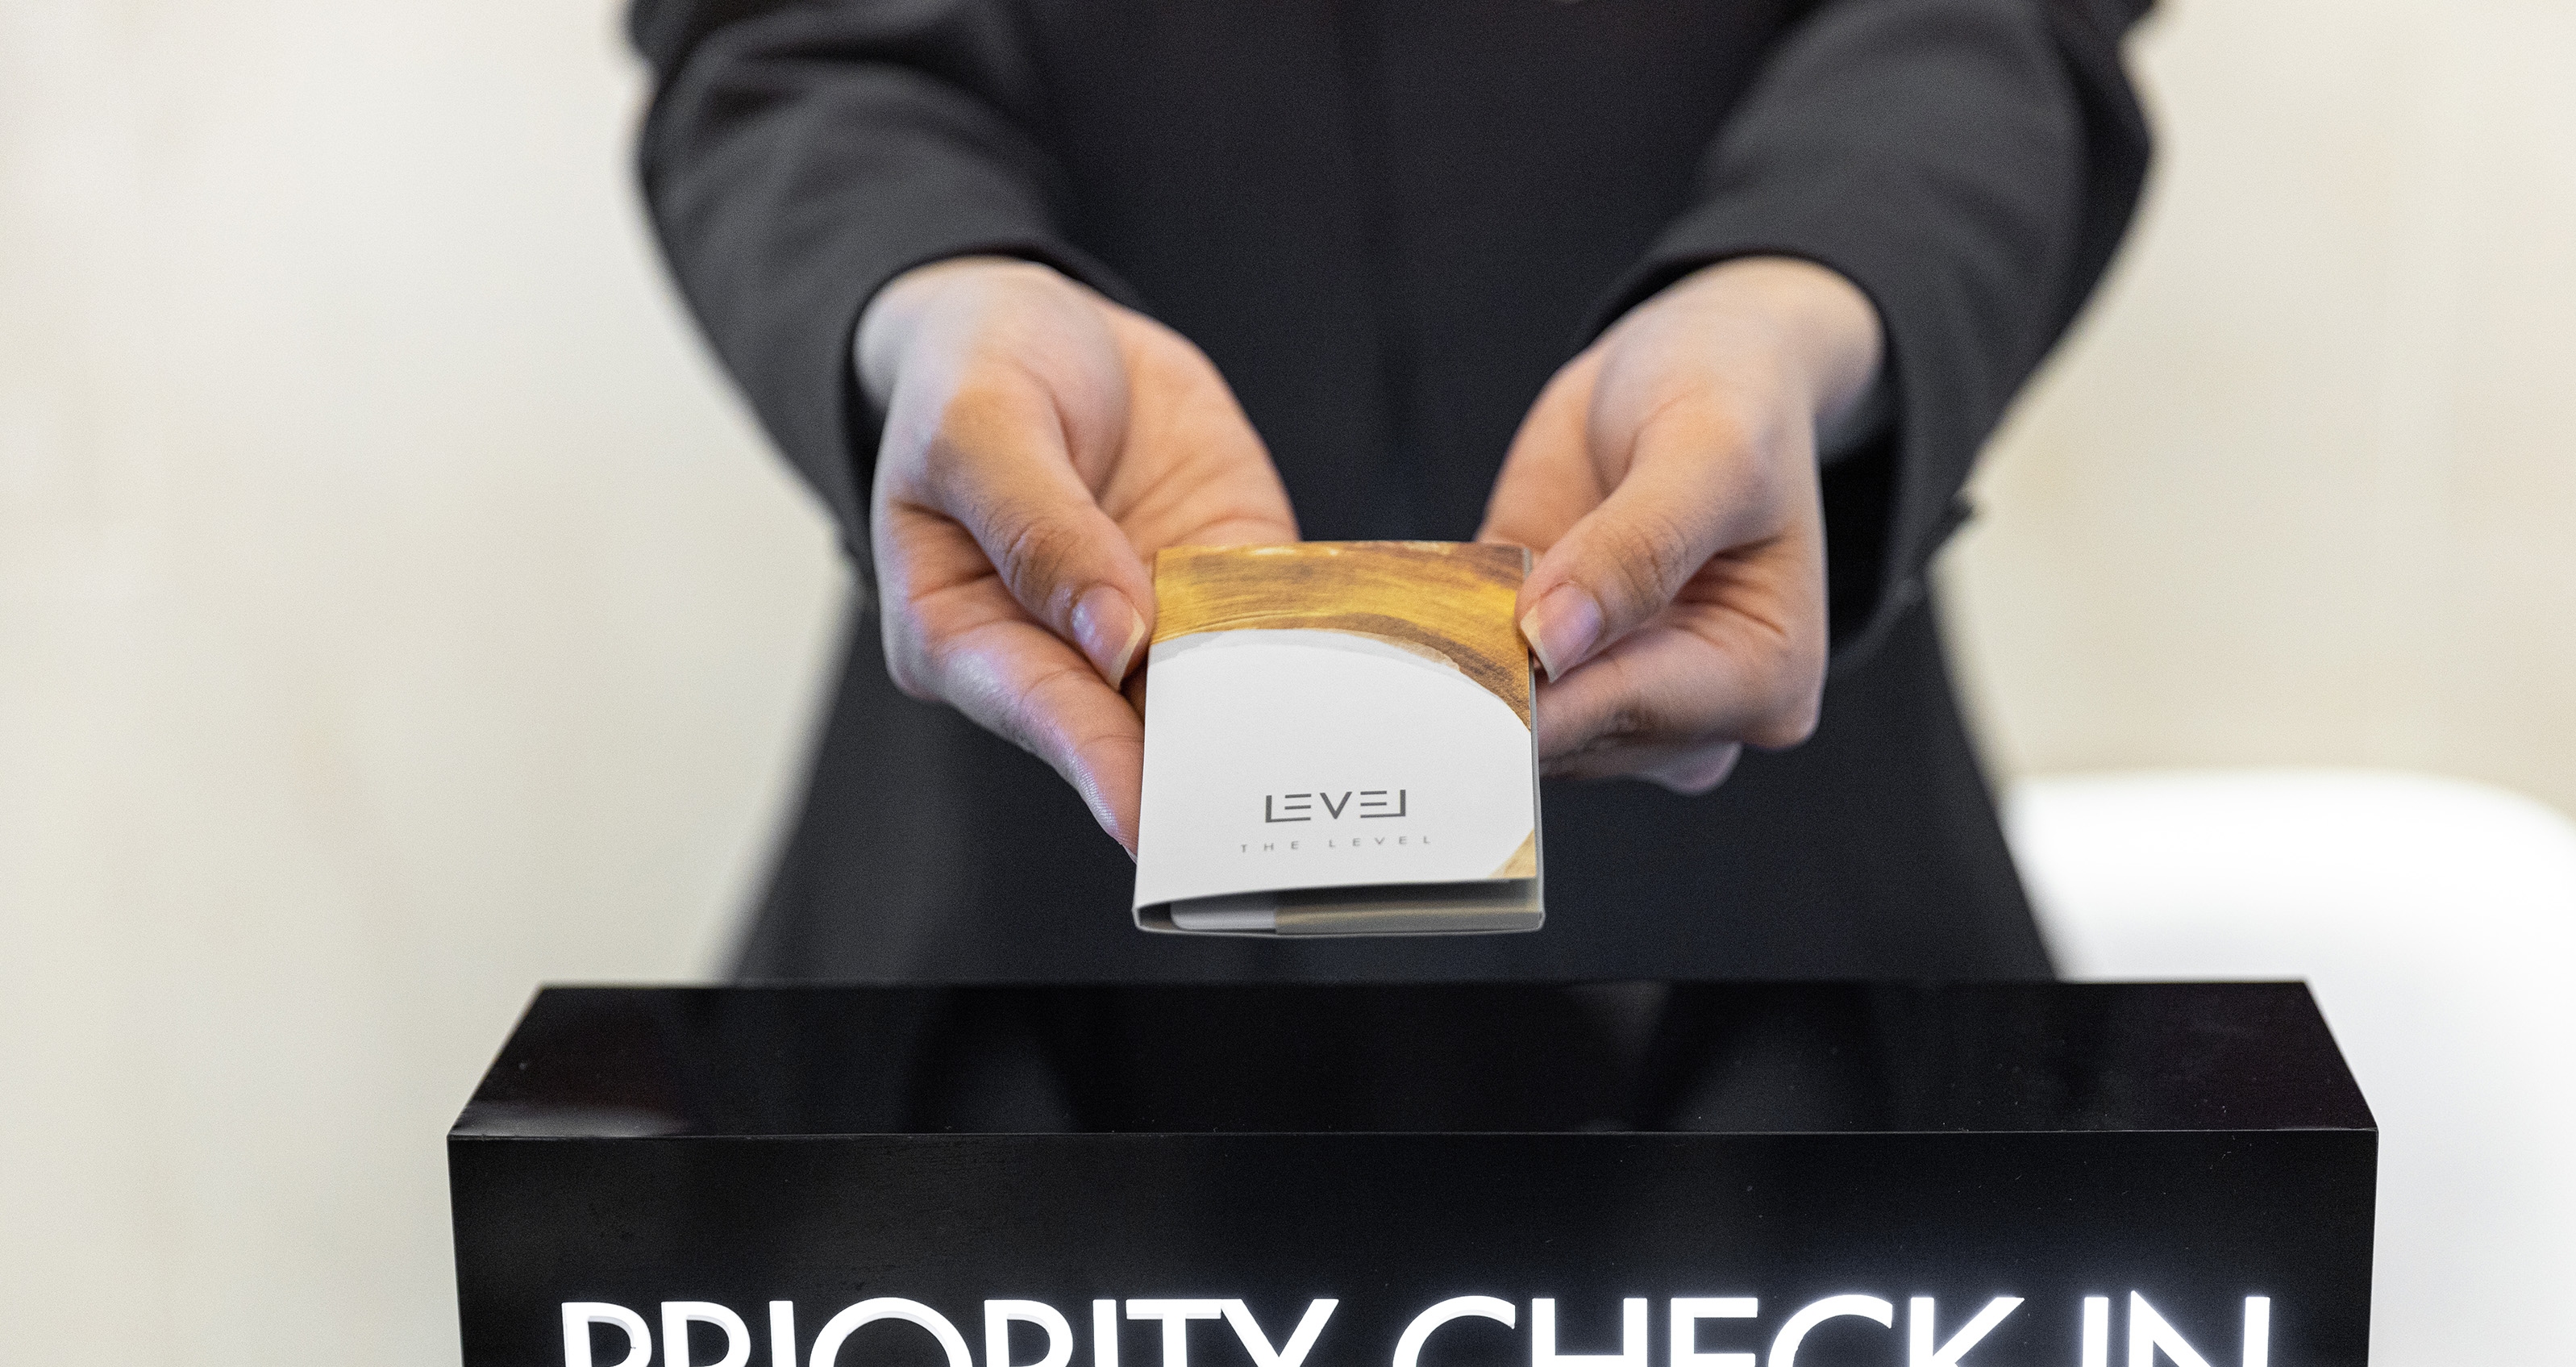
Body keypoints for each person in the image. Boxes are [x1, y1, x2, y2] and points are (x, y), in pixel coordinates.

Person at [631, 0, 2151, 987]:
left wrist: (1800, 292)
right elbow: (782, 37)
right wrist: (932, 289)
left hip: (1763, 890)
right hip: (1031, 836)